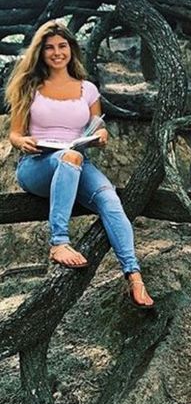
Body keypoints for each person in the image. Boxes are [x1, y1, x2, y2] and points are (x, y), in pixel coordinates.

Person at [6, 20, 154, 308]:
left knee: (110, 199)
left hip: (74, 161)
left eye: (62, 46)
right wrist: (20, 141)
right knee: (69, 157)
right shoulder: (29, 86)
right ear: (41, 52)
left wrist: (100, 136)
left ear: (71, 50)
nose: (57, 52)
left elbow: (97, 127)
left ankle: (134, 276)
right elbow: (14, 132)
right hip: (36, 165)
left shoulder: (87, 89)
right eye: (49, 48)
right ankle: (58, 242)